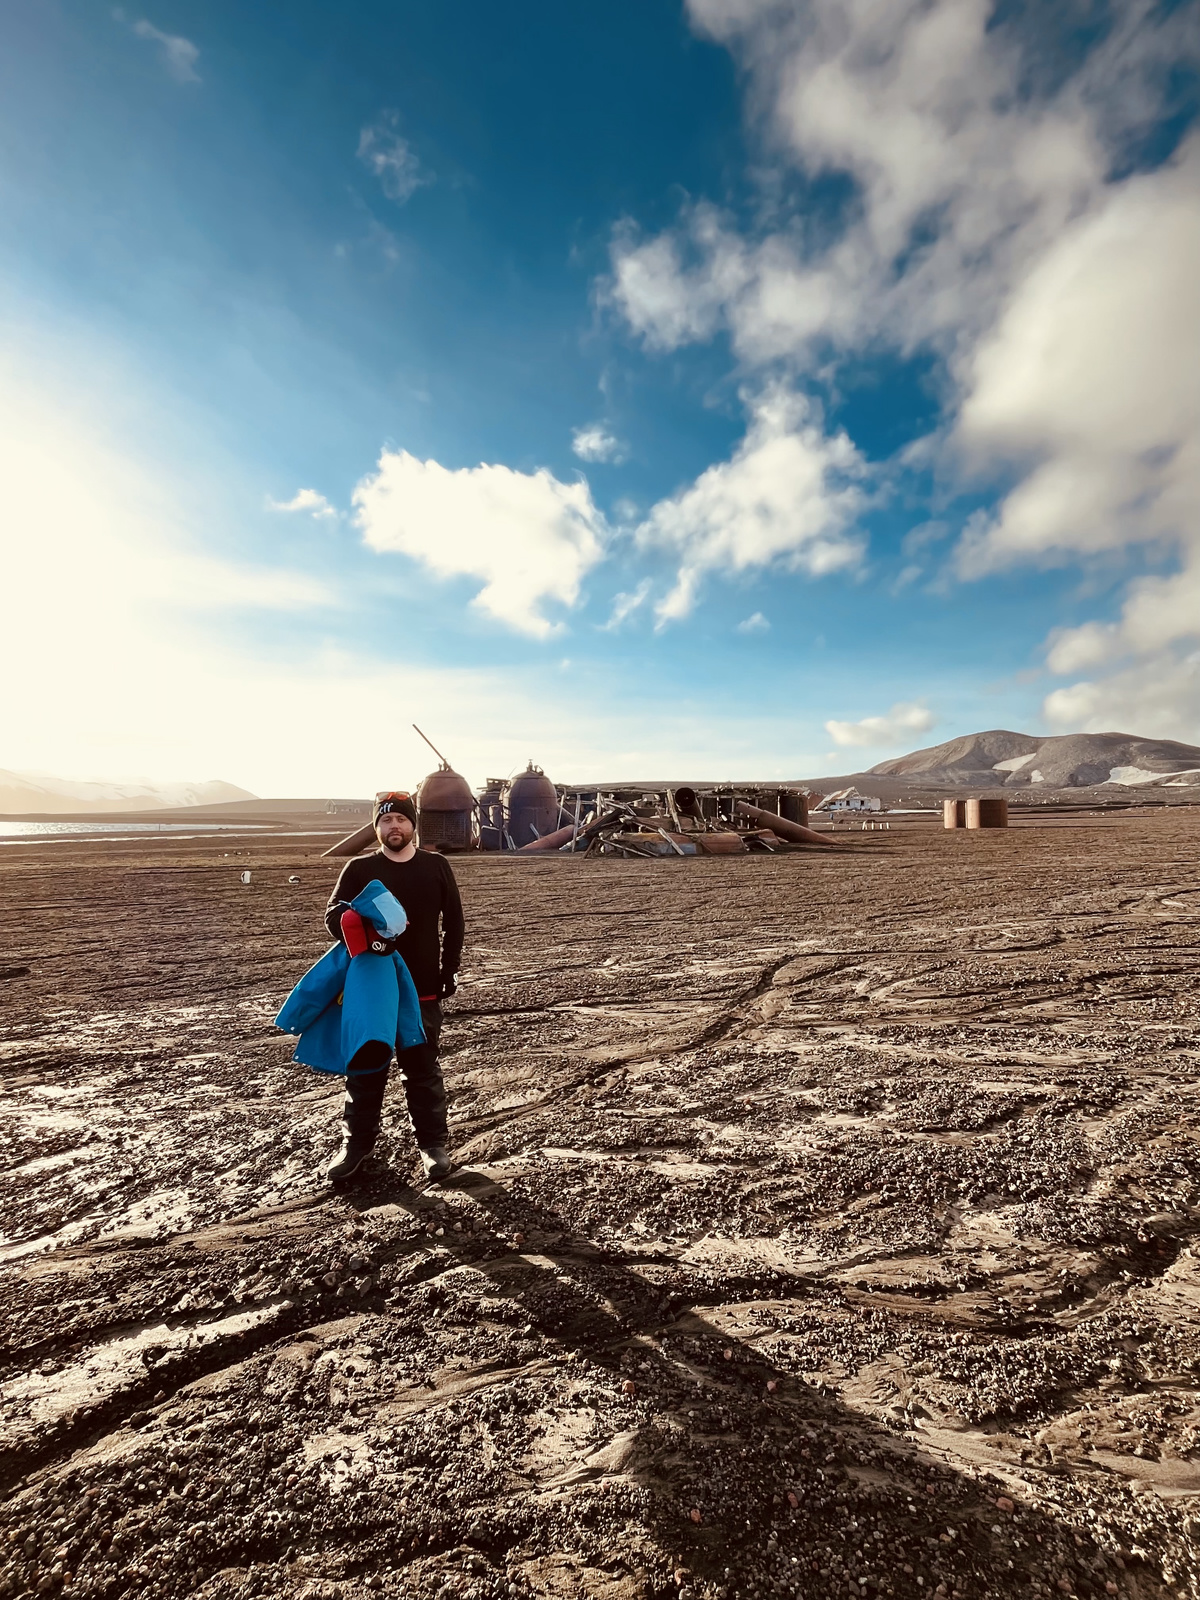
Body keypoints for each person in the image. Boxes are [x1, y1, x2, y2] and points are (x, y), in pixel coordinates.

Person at [323, 791, 464, 1184]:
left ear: (412, 825)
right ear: (377, 827)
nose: (394, 827)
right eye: (386, 821)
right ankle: (357, 1145)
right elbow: (332, 918)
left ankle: (433, 1147)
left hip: (422, 987)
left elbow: (454, 921)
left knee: (422, 1070)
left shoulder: (436, 865)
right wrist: (350, 918)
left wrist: (449, 969)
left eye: (401, 820)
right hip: (371, 990)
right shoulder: (358, 868)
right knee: (365, 1069)